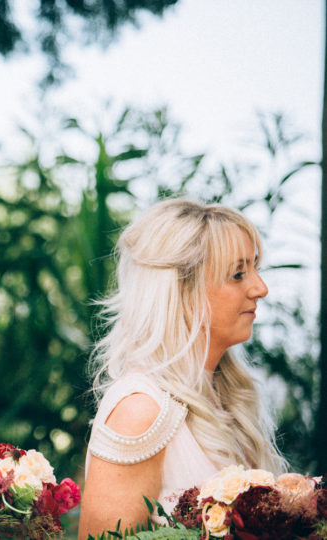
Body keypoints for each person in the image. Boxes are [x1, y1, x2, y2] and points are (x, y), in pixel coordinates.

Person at [78, 199, 287, 538]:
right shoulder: (140, 411)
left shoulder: (225, 394)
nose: (260, 288)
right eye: (238, 274)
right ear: (182, 291)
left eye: (255, 268)